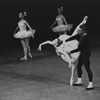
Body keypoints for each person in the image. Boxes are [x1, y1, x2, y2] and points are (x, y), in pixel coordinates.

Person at [65, 16, 93, 90]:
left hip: (86, 54)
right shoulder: (81, 35)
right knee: (78, 66)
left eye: (80, 30)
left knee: (87, 68)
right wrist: (65, 40)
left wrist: (70, 52)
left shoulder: (85, 38)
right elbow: (73, 37)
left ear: (83, 31)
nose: (78, 31)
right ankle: (79, 81)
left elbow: (78, 49)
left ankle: (90, 84)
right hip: (82, 53)